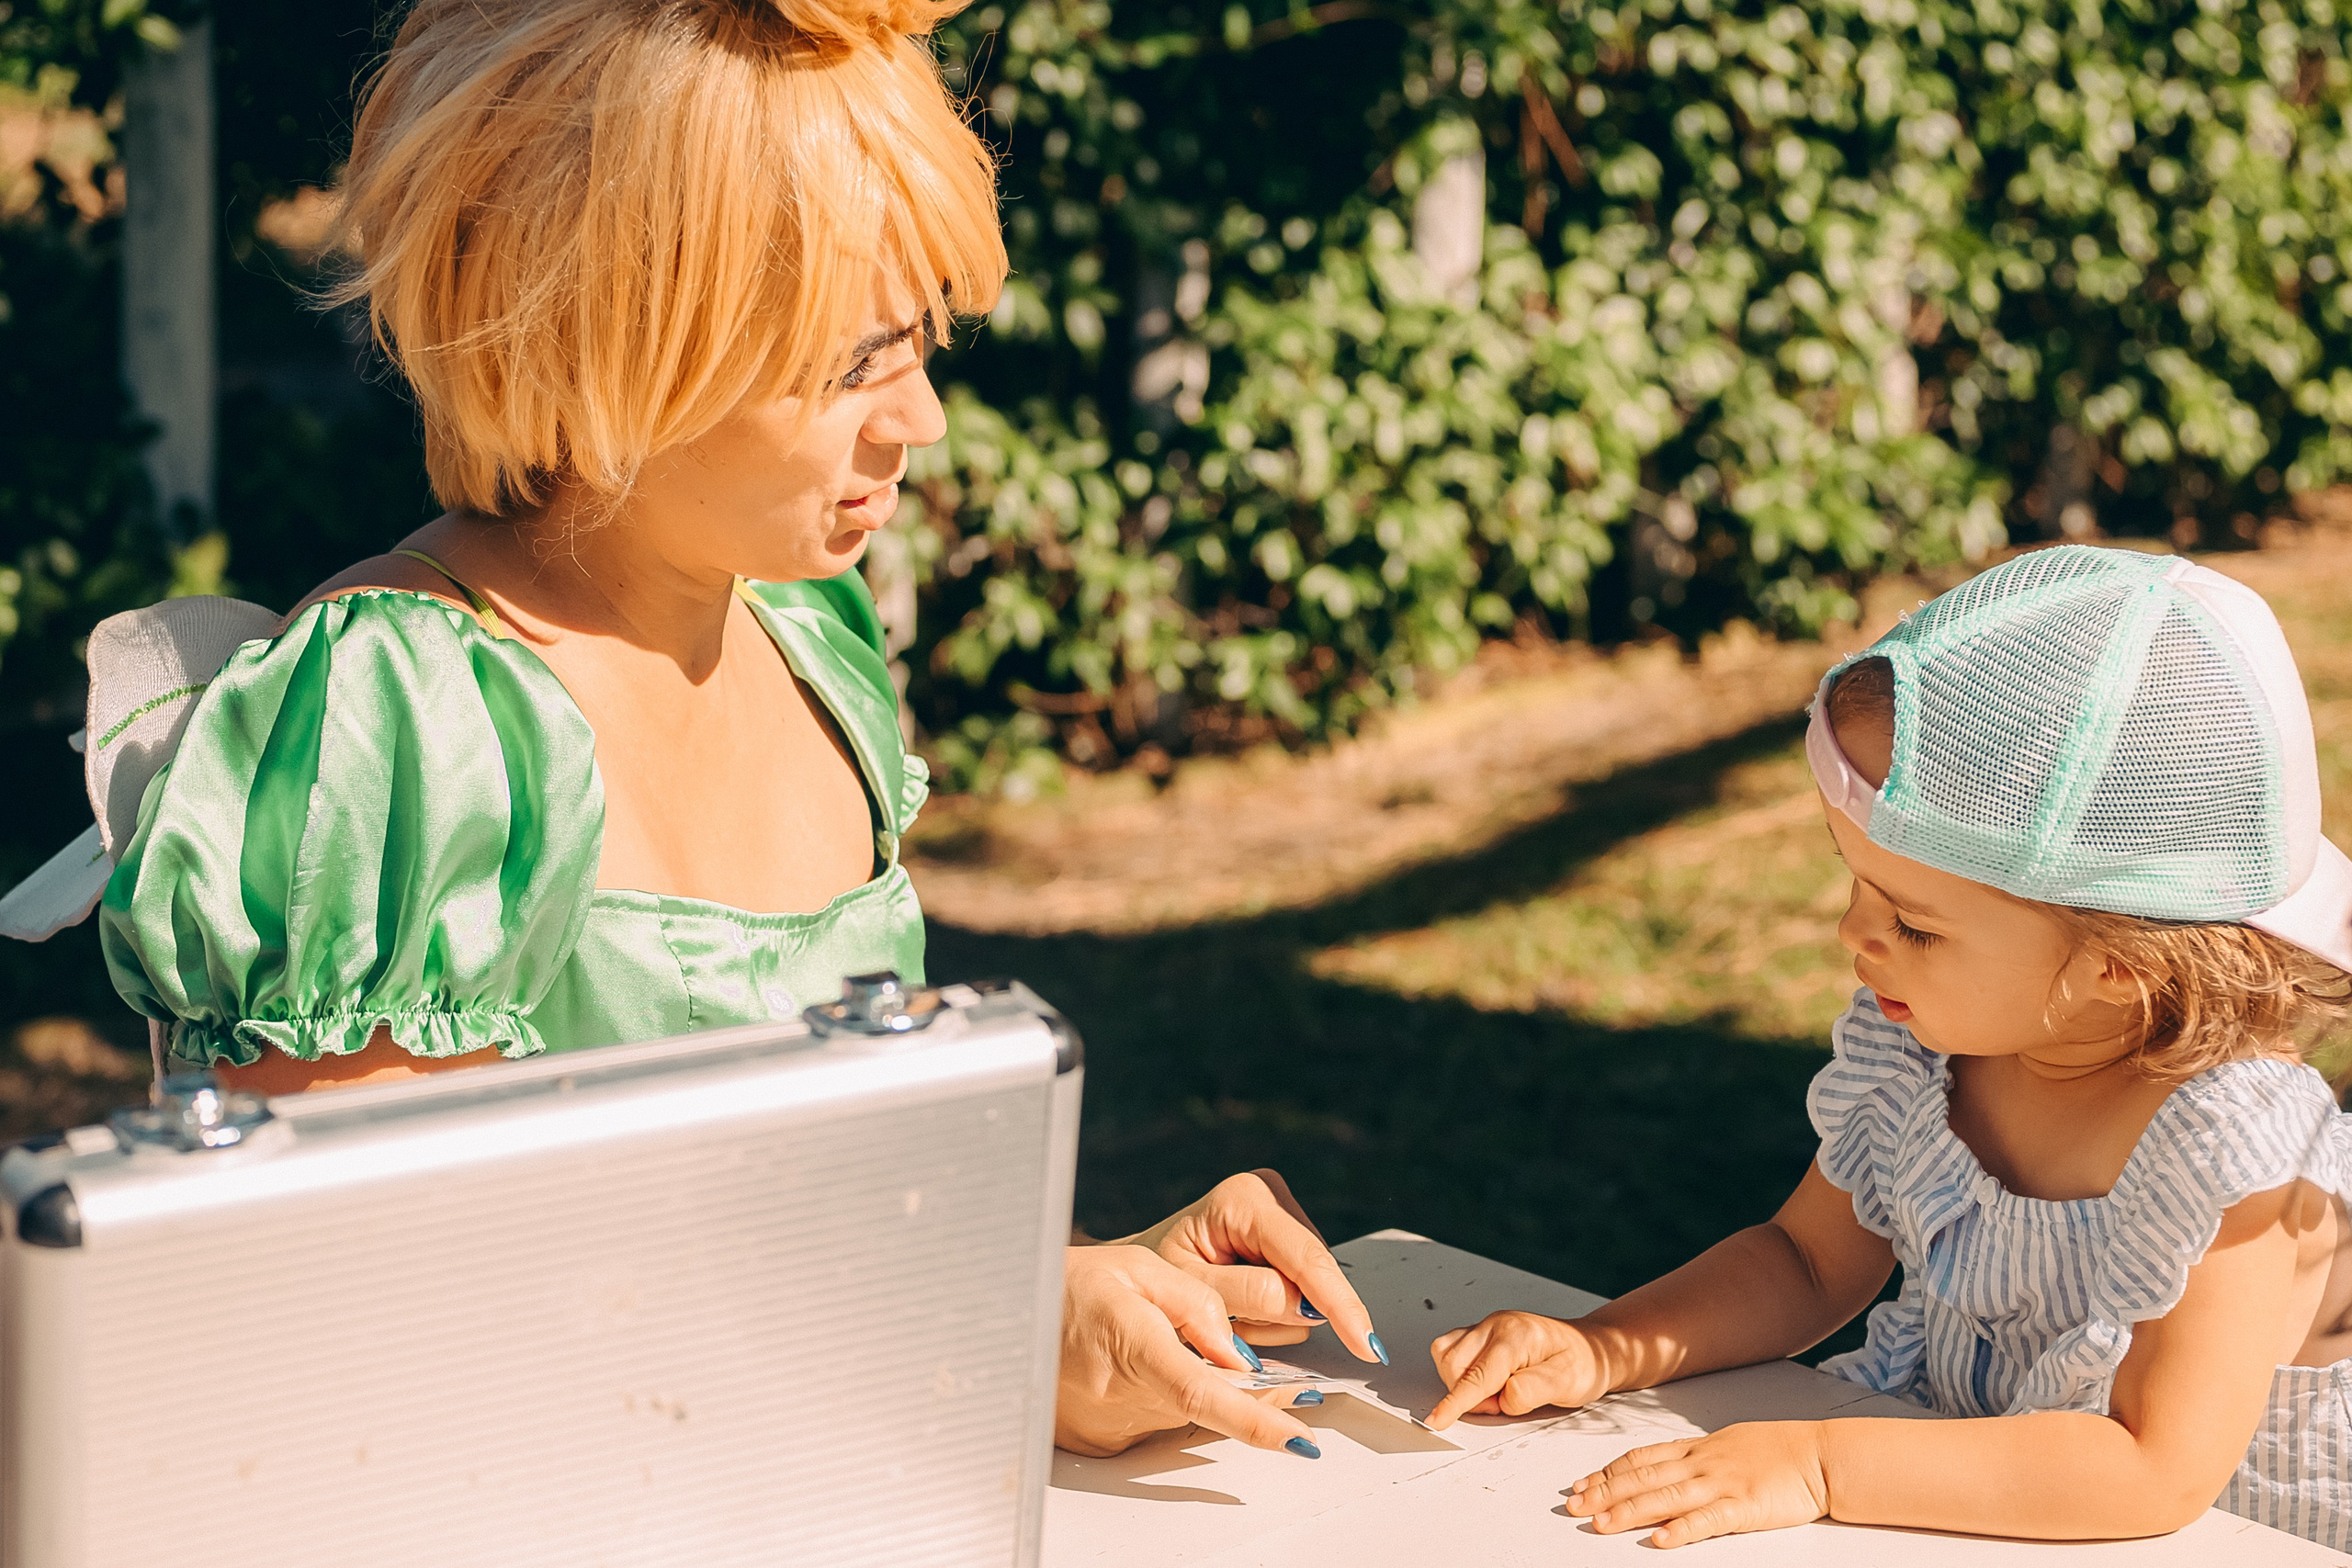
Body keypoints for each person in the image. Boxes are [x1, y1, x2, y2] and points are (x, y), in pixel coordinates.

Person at [79, 0, 1381, 1459]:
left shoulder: (808, 633)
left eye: (923, 340)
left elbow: (839, 1203)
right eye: (853, 363)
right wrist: (976, 1316)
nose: (924, 420)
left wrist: (1080, 1287)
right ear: (616, 340)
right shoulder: (404, 722)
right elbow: (373, 1329)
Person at [1424, 547, 2352, 1549]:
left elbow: (2149, 1469)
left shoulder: (2233, 1149)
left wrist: (1822, 1464)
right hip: (1960, 1509)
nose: (1852, 936)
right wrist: (1603, 1347)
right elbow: (1803, 1262)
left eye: (1913, 923)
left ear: (2119, 966)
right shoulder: (1922, 1056)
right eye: (1856, 884)